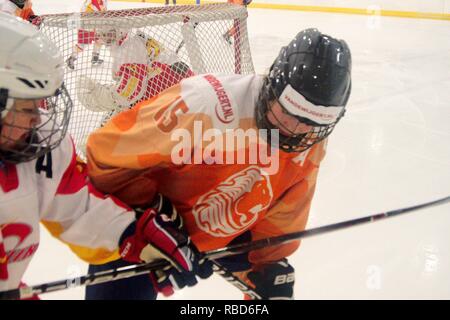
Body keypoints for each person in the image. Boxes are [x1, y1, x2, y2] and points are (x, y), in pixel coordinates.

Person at [85, 28, 352, 300]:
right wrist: (148, 210)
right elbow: (104, 152)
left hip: (225, 227)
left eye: (312, 122)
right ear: (273, 86)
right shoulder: (203, 104)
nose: (294, 130)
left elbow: (287, 208)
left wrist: (271, 263)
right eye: (288, 111)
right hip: (147, 231)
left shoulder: (310, 139)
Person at [0, 13, 211, 299]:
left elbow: (78, 207)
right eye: (28, 109)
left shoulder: (35, 148)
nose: (39, 120)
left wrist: (131, 234)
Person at [77, 32, 194, 119]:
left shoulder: (128, 47)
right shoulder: (133, 38)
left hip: (173, 93)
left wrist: (97, 95)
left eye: (104, 34)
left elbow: (129, 94)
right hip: (184, 85)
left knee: (115, 123)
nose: (101, 38)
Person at [66, 0, 109, 70]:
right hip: (86, 24)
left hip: (94, 23)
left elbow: (103, 10)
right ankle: (71, 59)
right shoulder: (91, 2)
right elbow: (97, 10)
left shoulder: (103, 1)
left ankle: (95, 57)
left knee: (99, 39)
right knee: (83, 44)